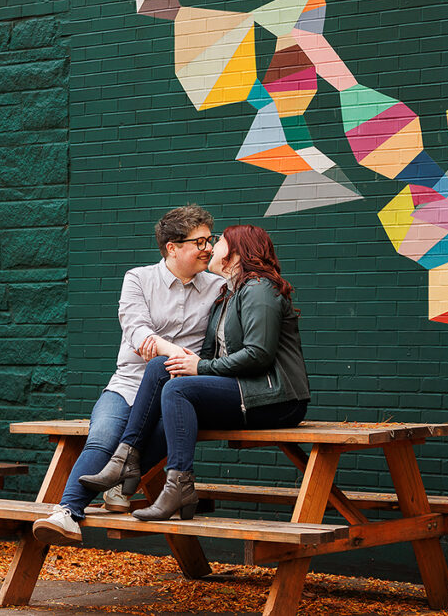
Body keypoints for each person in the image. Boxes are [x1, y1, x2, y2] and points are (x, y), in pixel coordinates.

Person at [80, 224, 310, 522]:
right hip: (244, 388)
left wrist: (199, 368)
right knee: (162, 367)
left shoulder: (259, 289)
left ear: (238, 252)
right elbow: (216, 354)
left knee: (178, 390)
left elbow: (259, 355)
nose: (212, 247)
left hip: (275, 398)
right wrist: (190, 363)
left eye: (220, 242)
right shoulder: (229, 293)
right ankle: (127, 458)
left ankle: (178, 484)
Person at [31, 205, 224, 545]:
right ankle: (67, 513)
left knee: (160, 432)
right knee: (103, 438)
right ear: (173, 248)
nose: (208, 247)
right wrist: (175, 351)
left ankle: (121, 483)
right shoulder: (138, 279)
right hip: (128, 384)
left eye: (211, 239)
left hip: (178, 394)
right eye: (200, 241)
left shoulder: (218, 288)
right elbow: (138, 334)